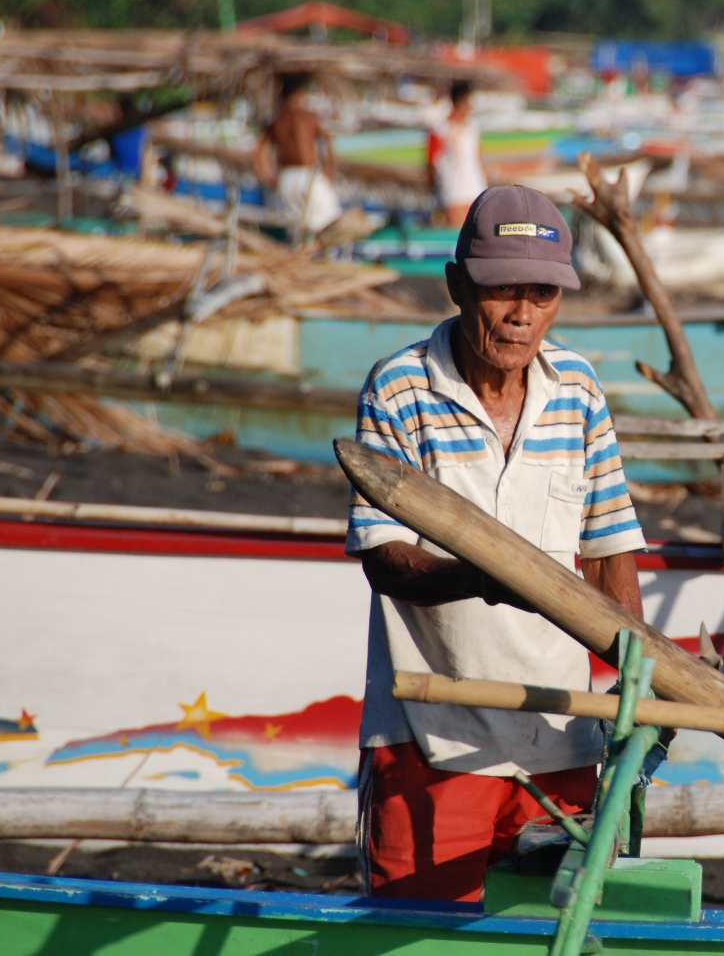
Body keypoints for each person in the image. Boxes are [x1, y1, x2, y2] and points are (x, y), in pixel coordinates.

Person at [345, 185, 645, 902]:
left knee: (554, 928)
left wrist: (642, 685)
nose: (521, 315)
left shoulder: (576, 387)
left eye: (541, 293)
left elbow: (609, 549)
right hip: (431, 732)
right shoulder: (399, 389)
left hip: (560, 734)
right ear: (456, 286)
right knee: (424, 937)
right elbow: (387, 561)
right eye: (501, 290)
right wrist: (488, 577)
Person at [252, 74, 344, 242]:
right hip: (307, 175)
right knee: (331, 220)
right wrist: (331, 171)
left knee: (297, 228)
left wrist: (269, 178)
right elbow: (328, 143)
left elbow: (259, 154)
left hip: (286, 178)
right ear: (300, 94)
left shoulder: (277, 120)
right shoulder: (308, 116)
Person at [429, 80, 487, 225]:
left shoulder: (473, 126)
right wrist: (434, 188)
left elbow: (478, 156)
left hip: (475, 188)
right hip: (453, 190)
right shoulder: (441, 128)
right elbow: (431, 160)